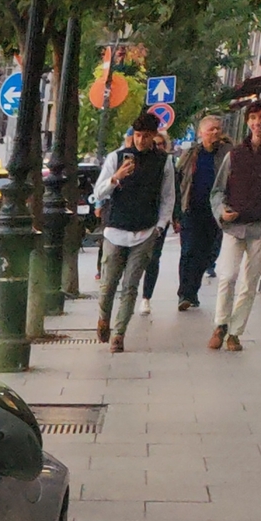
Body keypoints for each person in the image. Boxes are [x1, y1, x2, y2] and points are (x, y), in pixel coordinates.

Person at [88, 112, 181, 352]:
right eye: (138, 135)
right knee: (108, 284)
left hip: (144, 231)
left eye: (146, 136)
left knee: (130, 286)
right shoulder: (115, 158)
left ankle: (119, 334)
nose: (141, 141)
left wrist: (160, 227)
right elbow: (98, 193)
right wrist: (115, 179)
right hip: (115, 230)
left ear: (154, 136)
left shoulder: (164, 161)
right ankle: (103, 318)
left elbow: (168, 196)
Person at [212, 102, 261, 351]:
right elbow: (218, 190)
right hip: (234, 226)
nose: (258, 122)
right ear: (247, 122)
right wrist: (222, 212)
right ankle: (220, 324)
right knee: (227, 276)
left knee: (249, 282)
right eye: (253, 118)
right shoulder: (234, 154)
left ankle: (235, 333)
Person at [172, 114, 230, 311]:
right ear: (200, 133)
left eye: (218, 129)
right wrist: (176, 213)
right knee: (188, 251)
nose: (215, 132)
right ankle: (184, 294)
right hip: (192, 209)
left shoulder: (227, 154)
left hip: (215, 212)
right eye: (210, 129)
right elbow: (177, 181)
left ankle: (193, 291)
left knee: (207, 253)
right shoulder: (190, 155)